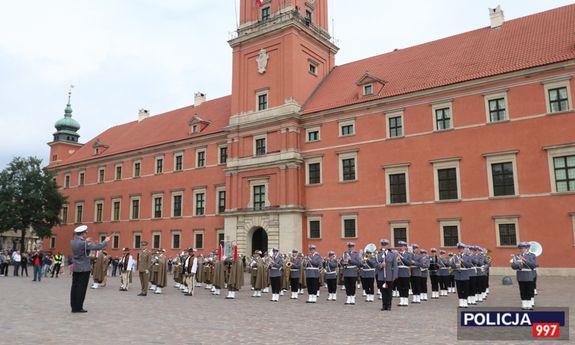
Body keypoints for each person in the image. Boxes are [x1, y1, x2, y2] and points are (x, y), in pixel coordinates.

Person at [70, 225, 110, 313]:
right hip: (84, 268)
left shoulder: (73, 242)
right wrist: (105, 241)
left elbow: (83, 245)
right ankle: (79, 307)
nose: (86, 234)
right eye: (85, 233)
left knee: (74, 287)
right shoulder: (84, 243)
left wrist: (86, 241)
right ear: (83, 233)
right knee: (81, 288)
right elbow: (98, 247)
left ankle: (73, 306)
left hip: (76, 267)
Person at [511, 242, 538, 310]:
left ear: (526, 248)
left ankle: (530, 304)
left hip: (529, 275)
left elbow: (534, 265)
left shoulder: (532, 256)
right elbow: (513, 266)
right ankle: (524, 304)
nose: (521, 249)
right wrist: (519, 264)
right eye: (520, 248)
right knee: (522, 290)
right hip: (521, 275)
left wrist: (525, 260)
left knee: (529, 290)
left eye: (522, 248)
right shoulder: (516, 256)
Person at [376, 239, 397, 311]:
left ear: (387, 245)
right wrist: (381, 265)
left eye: (385, 245)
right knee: (383, 291)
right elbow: (376, 264)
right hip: (381, 276)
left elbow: (395, 266)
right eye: (383, 245)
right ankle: (384, 305)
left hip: (389, 275)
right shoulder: (379, 254)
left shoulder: (392, 254)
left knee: (389, 291)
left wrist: (394, 276)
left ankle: (389, 305)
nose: (384, 246)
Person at [450, 243, 473, 308]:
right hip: (457, 274)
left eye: (461, 249)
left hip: (465, 274)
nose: (460, 250)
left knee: (465, 289)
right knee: (459, 289)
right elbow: (451, 265)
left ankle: (465, 303)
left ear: (464, 249)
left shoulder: (467, 256)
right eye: (459, 249)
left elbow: (470, 265)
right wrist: (457, 265)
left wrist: (463, 261)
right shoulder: (455, 257)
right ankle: (461, 303)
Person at [395, 241, 411, 307]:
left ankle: (406, 300)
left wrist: (401, 257)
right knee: (400, 287)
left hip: (405, 272)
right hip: (399, 272)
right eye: (400, 246)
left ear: (405, 247)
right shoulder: (397, 254)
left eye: (402, 246)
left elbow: (408, 263)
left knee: (405, 287)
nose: (401, 247)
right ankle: (401, 300)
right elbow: (395, 264)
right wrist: (396, 258)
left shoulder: (408, 254)